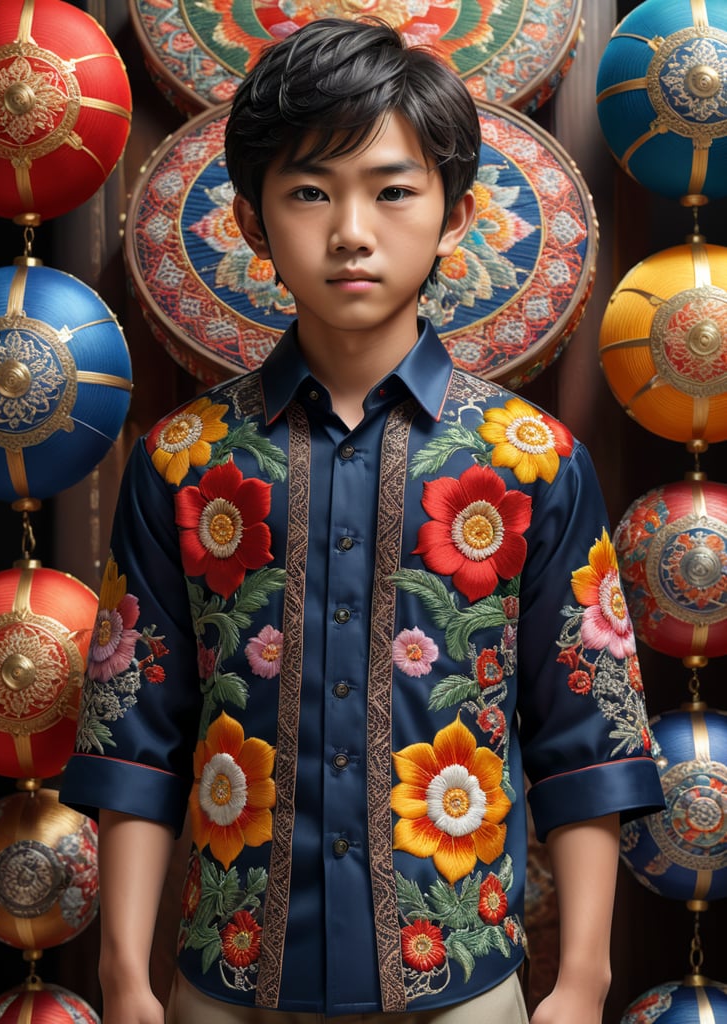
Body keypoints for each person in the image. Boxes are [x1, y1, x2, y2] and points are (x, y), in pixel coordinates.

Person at [60, 17, 664, 1024]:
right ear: (253, 224)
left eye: (392, 190)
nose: (351, 229)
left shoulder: (532, 458)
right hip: (227, 984)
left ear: (457, 214)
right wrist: (126, 977)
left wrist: (584, 981)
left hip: (465, 984)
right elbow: (136, 735)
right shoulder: (182, 461)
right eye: (308, 192)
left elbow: (585, 732)